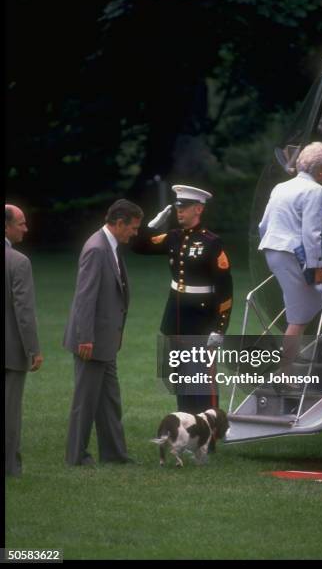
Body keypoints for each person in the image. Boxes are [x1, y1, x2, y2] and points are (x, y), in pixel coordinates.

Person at [131, 185, 233, 414]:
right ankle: (188, 430)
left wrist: (220, 327)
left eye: (184, 207)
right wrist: (153, 225)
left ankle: (209, 433)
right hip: (175, 317)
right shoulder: (174, 238)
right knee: (180, 379)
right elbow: (138, 246)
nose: (179, 211)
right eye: (178, 206)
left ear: (198, 209)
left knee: (201, 381)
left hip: (201, 320)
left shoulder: (211, 242)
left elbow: (225, 288)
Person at [63, 199, 143, 466]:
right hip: (92, 341)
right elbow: (85, 297)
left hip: (105, 341)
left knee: (109, 401)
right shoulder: (97, 249)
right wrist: (85, 336)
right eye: (132, 227)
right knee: (85, 402)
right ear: (119, 223)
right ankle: (76, 457)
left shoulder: (111, 246)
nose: (135, 232)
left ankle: (114, 454)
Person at [258, 142, 322, 384]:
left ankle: (295, 362)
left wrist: (272, 247)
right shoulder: (316, 190)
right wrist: (317, 268)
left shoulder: (281, 186)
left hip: (273, 249)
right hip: (295, 254)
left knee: (314, 298)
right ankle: (285, 371)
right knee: (300, 315)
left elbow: (263, 225)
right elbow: (312, 234)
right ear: (321, 169)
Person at [5, 204, 43, 476]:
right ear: (6, 227)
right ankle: (10, 467)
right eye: (21, 223)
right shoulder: (18, 262)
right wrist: (33, 349)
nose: (25, 228)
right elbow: (24, 312)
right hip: (11, 351)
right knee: (10, 414)